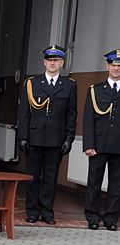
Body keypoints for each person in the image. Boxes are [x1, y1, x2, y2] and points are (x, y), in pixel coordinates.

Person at [17, 45, 77, 224]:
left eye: (56, 60)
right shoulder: (32, 83)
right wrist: (23, 136)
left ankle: (47, 211)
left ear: (62, 63)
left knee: (50, 178)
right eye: (49, 60)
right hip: (34, 137)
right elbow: (24, 113)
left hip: (56, 139)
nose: (52, 63)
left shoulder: (69, 85)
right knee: (33, 177)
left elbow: (71, 114)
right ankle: (32, 211)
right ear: (44, 62)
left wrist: (69, 138)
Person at [82, 49, 120, 231]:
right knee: (94, 182)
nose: (116, 69)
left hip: (118, 146)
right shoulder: (95, 90)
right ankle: (92, 216)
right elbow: (88, 119)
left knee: (117, 184)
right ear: (108, 66)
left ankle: (111, 218)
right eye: (113, 65)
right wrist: (88, 144)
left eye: (119, 66)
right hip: (98, 144)